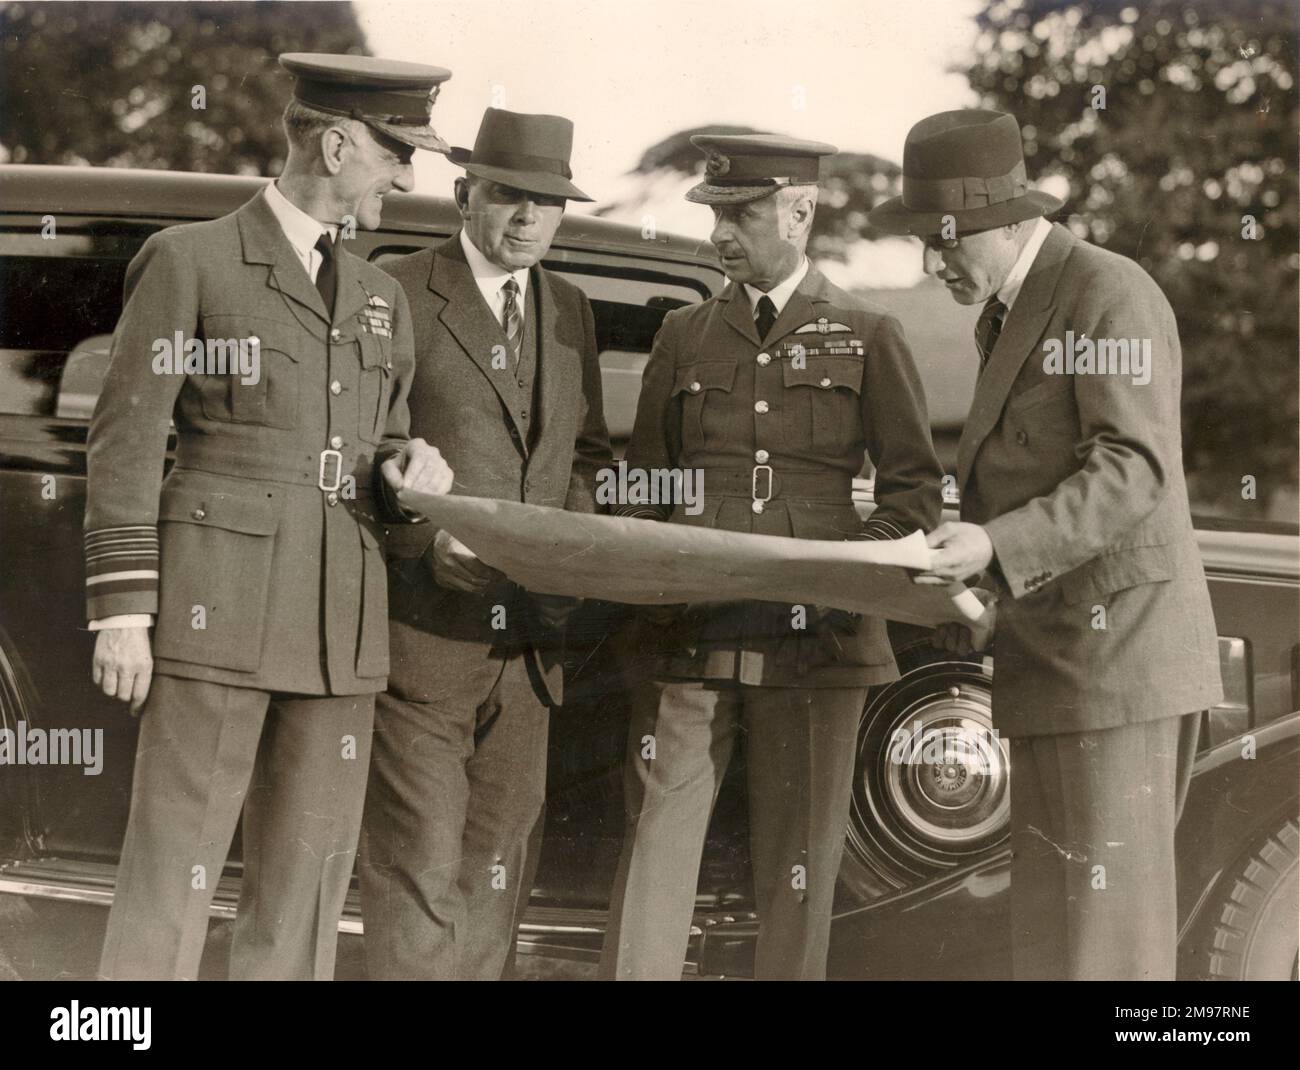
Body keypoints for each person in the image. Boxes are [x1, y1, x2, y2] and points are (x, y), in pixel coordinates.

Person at [87, 52, 456, 980]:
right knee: (176, 863)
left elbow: (380, 444)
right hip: (220, 610)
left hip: (341, 624)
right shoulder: (193, 260)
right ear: (336, 144)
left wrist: (410, 470)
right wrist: (124, 612)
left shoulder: (383, 297)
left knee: (307, 882)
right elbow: (126, 440)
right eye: (397, 152)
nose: (409, 176)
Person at [870, 108, 1223, 979]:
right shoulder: (1013, 310)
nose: (932, 262)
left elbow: (1134, 472)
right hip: (1059, 663)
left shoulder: (1109, 292)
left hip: (1117, 668)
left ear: (1005, 221)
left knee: (1110, 946)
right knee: (1056, 938)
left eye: (943, 241)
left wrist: (992, 547)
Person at [599, 134, 944, 980]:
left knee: (799, 863)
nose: (721, 233)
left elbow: (911, 495)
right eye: (714, 214)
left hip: (817, 637)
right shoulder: (683, 335)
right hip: (694, 627)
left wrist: (844, 571)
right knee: (658, 842)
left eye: (741, 214)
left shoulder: (867, 333)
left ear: (799, 210)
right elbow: (647, 484)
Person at [360, 107, 612, 980]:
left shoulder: (571, 310)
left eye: (548, 202)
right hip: (422, 638)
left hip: (532, 646)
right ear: (465, 194)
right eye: (510, 196)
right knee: (418, 869)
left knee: (497, 873)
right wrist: (425, 538)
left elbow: (587, 455)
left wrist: (567, 548)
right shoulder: (393, 287)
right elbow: (365, 443)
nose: (529, 219)